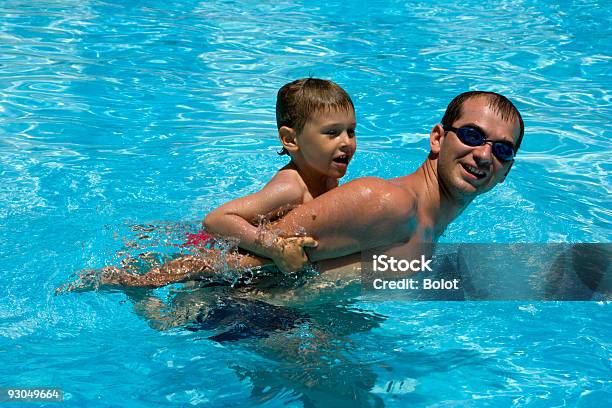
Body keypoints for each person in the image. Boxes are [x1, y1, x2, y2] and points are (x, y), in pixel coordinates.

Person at [61, 90, 523, 291]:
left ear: (507, 171)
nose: (484, 155)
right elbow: (242, 257)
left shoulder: (427, 220)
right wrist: (137, 282)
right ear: (439, 139)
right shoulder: (386, 203)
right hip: (242, 316)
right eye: (473, 136)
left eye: (502, 150)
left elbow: (325, 275)